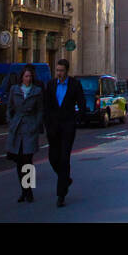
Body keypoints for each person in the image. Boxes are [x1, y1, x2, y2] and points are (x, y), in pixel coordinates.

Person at [43, 58, 87, 207]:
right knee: (52, 158)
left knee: (64, 158)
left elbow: (82, 103)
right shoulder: (50, 85)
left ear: (66, 71)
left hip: (68, 127)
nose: (59, 73)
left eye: (61, 71)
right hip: (53, 128)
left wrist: (77, 119)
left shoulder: (75, 85)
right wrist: (47, 123)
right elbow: (47, 106)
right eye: (57, 70)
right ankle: (66, 179)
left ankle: (61, 194)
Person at [5, 64, 43, 203]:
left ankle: (29, 191)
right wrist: (10, 120)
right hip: (17, 128)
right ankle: (23, 190)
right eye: (26, 76)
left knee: (28, 161)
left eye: (30, 76)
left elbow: (40, 110)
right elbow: (9, 107)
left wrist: (36, 124)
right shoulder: (14, 90)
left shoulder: (37, 91)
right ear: (22, 77)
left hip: (30, 127)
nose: (28, 79)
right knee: (19, 161)